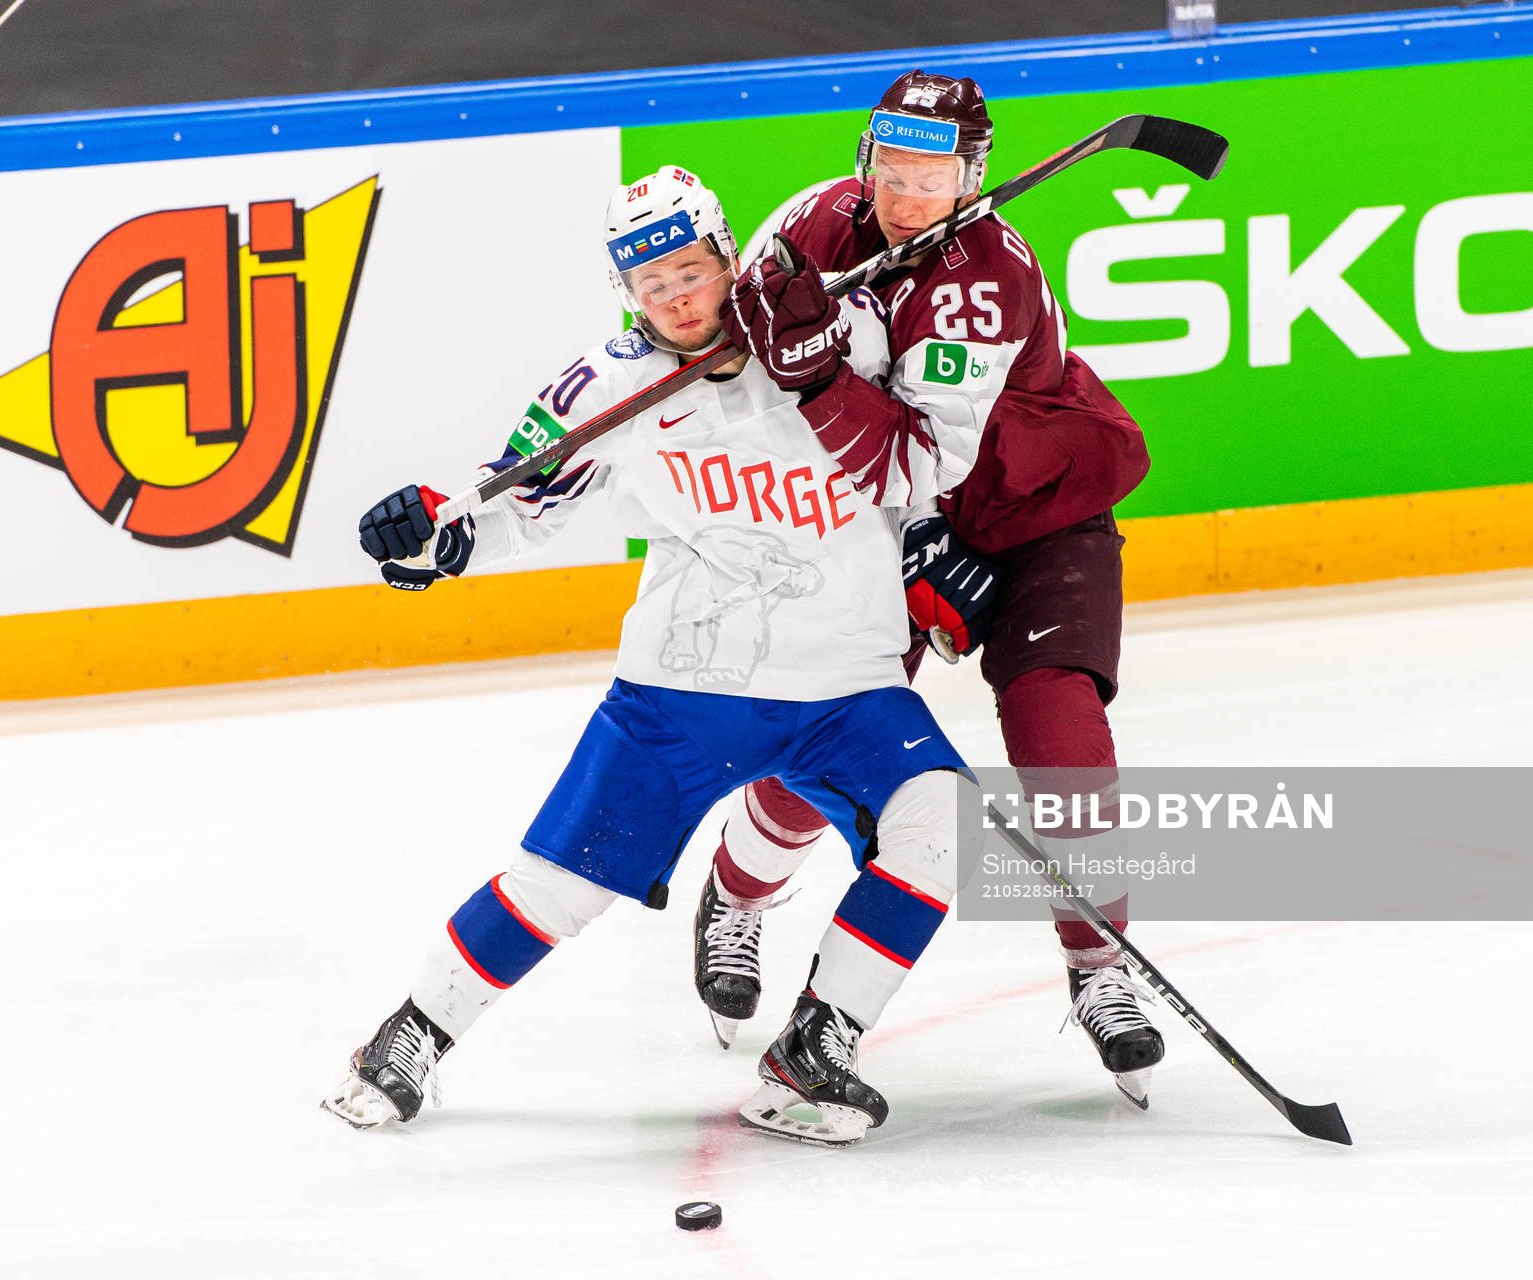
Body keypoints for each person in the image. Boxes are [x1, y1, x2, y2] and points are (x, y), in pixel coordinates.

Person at [322, 166, 982, 1147]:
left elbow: (924, 454)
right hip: (686, 690)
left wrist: (942, 539)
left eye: (690, 270)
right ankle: (410, 1034)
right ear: (625, 291)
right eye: (651, 282)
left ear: (728, 256)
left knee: (945, 822)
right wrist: (431, 537)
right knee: (561, 883)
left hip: (848, 685)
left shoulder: (840, 331)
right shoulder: (605, 387)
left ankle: (816, 1046)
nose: (675, 296)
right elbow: (511, 504)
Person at [692, 71, 1166, 1106]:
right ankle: (738, 890)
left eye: (931, 178)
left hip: (1036, 508)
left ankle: (1100, 964)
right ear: (867, 158)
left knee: (1061, 730)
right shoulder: (810, 226)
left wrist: (823, 377)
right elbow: (738, 380)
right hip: (884, 518)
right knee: (832, 727)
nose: (906, 197)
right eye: (892, 171)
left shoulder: (987, 277)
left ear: (971, 179)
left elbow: (923, 458)